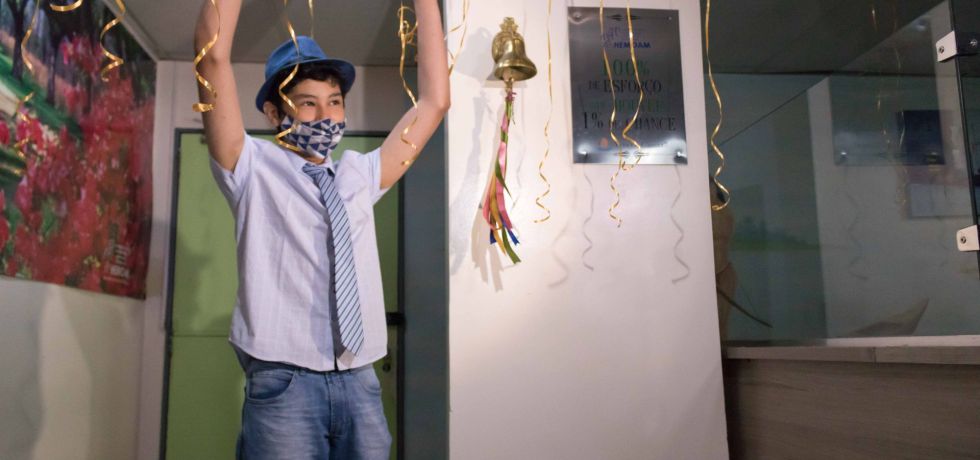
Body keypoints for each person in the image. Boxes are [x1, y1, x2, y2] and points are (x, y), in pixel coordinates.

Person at [193, 1, 449, 458]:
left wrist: (427, 3)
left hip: (360, 378)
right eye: (307, 103)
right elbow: (211, 56)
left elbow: (434, 103)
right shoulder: (249, 166)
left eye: (334, 102)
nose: (325, 116)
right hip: (283, 383)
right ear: (274, 113)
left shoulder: (359, 175)